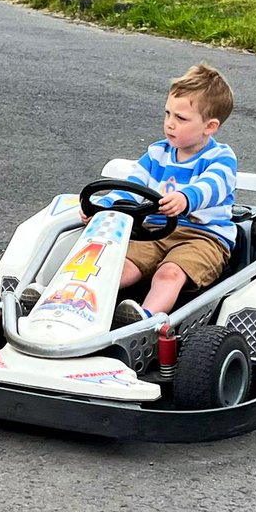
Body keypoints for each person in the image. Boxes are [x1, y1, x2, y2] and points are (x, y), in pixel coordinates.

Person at [90, 62, 237, 328]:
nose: (170, 124)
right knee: (119, 265)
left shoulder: (221, 158)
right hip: (155, 231)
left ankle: (143, 322)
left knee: (169, 273)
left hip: (203, 238)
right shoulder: (157, 154)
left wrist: (185, 198)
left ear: (209, 126)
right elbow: (131, 187)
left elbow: (211, 186)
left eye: (181, 119)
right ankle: (79, 305)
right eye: (168, 114)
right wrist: (102, 206)